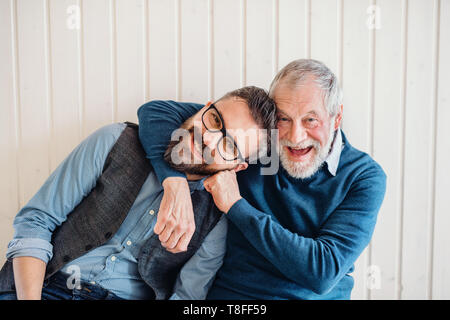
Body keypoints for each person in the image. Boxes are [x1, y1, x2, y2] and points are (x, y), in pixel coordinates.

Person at [137, 59, 387, 299]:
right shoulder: (254, 142)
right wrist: (175, 185)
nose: (295, 136)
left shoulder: (363, 177)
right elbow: (155, 113)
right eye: (284, 119)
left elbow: (322, 272)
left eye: (310, 120)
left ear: (336, 118)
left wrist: (236, 206)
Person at [0, 86, 277, 300]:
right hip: (42, 286)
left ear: (237, 166)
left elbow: (186, 296)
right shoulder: (114, 140)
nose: (208, 137)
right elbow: (36, 223)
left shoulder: (216, 220)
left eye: (228, 144)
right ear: (204, 107)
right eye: (215, 119)